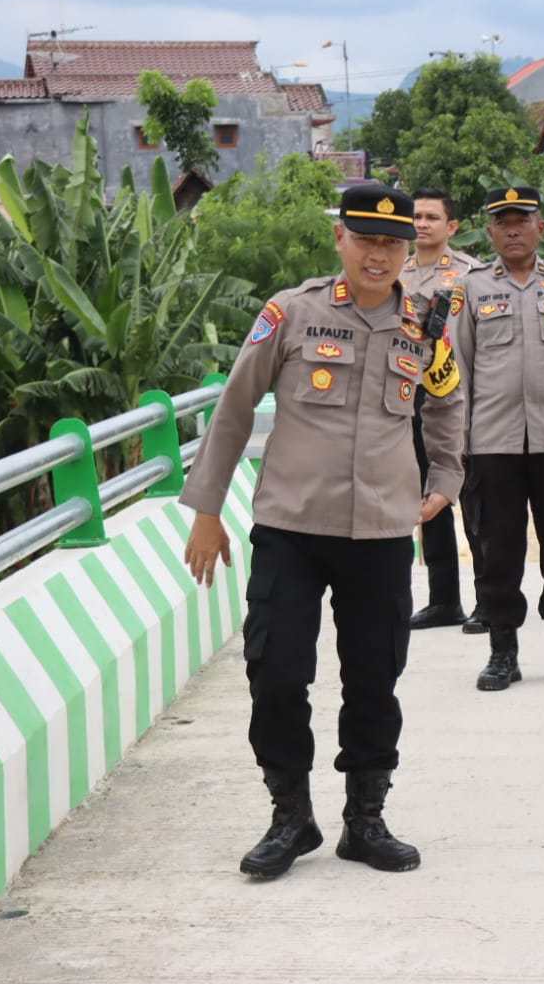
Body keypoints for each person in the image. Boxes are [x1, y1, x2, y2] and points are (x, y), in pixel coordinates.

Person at [180, 183, 464, 878]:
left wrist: (446, 480)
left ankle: (364, 820)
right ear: (340, 239)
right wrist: (208, 510)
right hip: (290, 527)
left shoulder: (425, 323)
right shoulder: (292, 312)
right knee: (276, 675)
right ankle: (290, 816)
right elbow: (234, 408)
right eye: (365, 239)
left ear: (407, 250)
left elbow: (446, 403)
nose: (378, 255)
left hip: (379, 533)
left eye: (392, 243)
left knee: (373, 680)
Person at [452, 185, 544, 691]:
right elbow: (459, 370)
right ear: (489, 231)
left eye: (523, 220)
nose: (513, 230)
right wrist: (459, 443)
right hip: (492, 443)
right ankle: (502, 652)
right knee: (499, 550)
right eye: (502, 222)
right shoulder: (470, 289)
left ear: (541, 226)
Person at [401, 188, 486, 631]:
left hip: (460, 398)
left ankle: (489, 599)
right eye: (416, 216)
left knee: (472, 497)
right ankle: (443, 599)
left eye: (432, 217)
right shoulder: (395, 269)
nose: (422, 224)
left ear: (451, 227)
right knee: (428, 498)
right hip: (409, 398)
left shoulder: (472, 274)